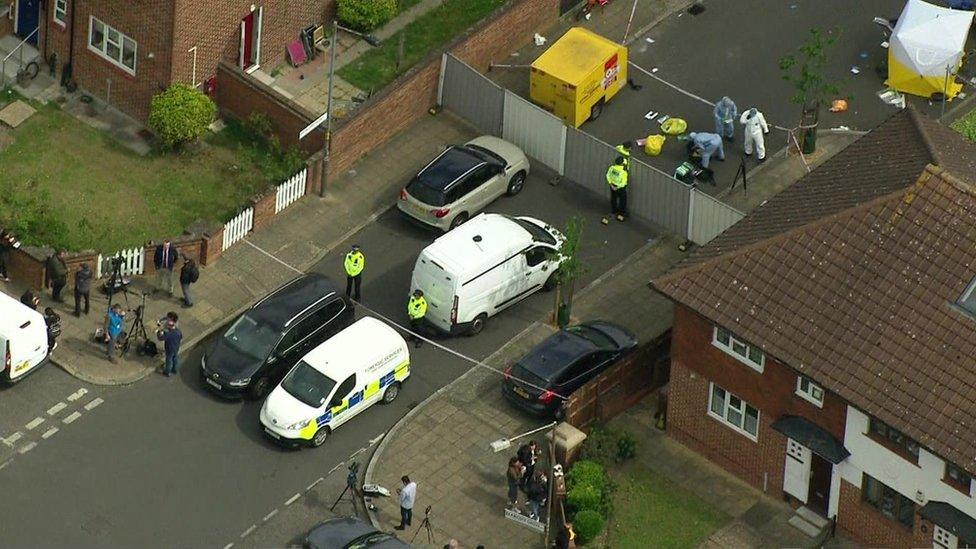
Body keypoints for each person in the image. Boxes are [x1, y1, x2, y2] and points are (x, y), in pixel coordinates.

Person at [602, 157, 628, 225]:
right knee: (623, 200)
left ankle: (614, 210)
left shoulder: (612, 168)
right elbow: (624, 182)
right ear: (622, 163)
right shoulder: (623, 172)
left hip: (612, 185)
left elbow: (608, 175)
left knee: (613, 198)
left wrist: (611, 184)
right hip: (620, 188)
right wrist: (617, 187)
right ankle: (621, 213)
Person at [156, 311, 183, 377]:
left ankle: (167, 372)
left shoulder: (169, 334)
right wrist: (160, 320)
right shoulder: (178, 331)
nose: (167, 320)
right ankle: (175, 370)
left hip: (169, 349)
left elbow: (160, 338)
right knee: (175, 358)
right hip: (176, 347)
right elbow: (180, 337)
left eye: (168, 320)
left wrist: (159, 332)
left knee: (169, 360)